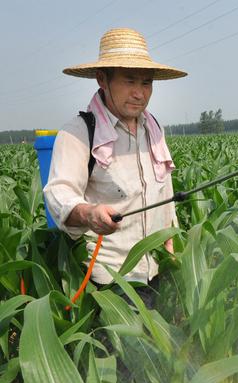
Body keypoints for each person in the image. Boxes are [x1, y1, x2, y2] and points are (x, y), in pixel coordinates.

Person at [43, 28, 187, 305]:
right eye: (129, 81)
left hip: (159, 269)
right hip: (112, 281)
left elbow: (164, 189)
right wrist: (89, 213)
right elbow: (59, 194)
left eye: (146, 83)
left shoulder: (153, 128)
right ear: (102, 79)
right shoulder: (79, 133)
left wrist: (171, 235)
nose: (139, 93)